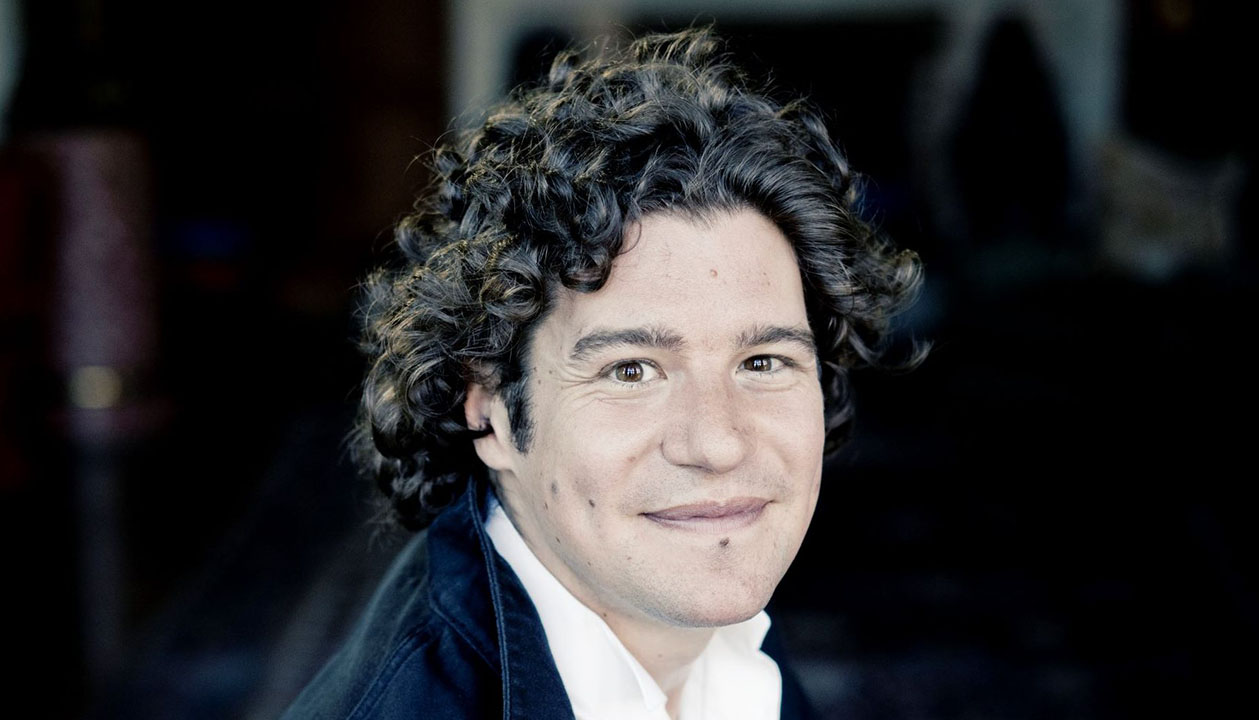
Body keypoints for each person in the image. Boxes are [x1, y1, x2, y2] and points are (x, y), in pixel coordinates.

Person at [283, 27, 921, 720]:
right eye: (632, 371)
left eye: (762, 362)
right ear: (489, 405)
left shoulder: (724, 649)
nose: (717, 444)